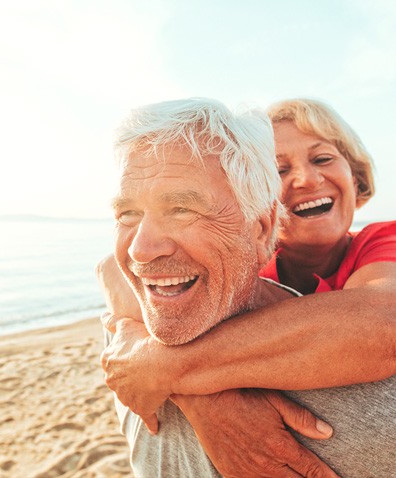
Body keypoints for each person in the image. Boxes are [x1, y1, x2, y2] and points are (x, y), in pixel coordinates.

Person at [98, 97, 396, 477]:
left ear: (356, 178)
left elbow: (382, 321)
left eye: (322, 159)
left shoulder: (382, 242)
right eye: (279, 169)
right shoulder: (243, 266)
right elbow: (112, 267)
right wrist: (207, 401)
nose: (304, 179)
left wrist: (164, 365)